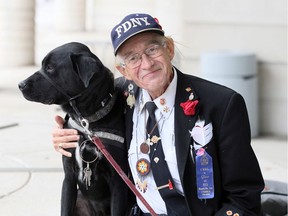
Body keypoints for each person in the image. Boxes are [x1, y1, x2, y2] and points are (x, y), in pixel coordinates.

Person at [52, 13, 264, 216]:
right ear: (123, 70)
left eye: (152, 49)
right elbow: (84, 118)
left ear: (169, 49)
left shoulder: (220, 104)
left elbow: (244, 197)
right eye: (133, 58)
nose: (146, 63)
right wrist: (65, 133)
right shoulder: (118, 97)